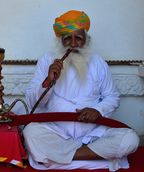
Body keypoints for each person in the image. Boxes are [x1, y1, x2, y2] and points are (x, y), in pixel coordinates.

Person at [23, 10, 139, 171]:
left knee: (130, 139)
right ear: (60, 41)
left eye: (78, 38)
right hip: (58, 132)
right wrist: (48, 80)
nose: (73, 44)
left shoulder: (98, 63)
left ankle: (61, 157)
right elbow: (31, 102)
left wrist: (97, 110)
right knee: (31, 132)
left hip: (93, 134)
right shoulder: (47, 61)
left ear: (86, 40)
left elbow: (112, 97)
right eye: (67, 39)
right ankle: (92, 157)